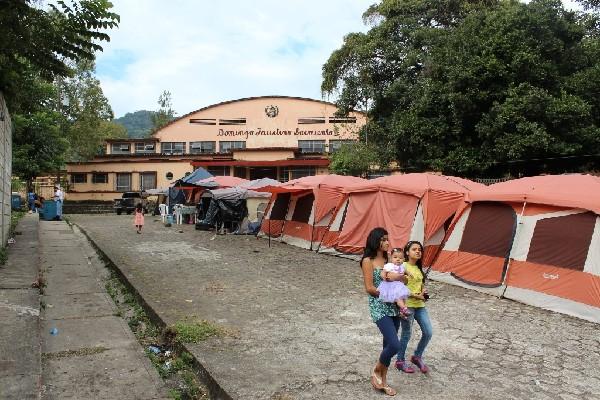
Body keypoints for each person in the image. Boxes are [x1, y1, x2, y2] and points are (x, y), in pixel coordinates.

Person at [360, 227, 407, 396]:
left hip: (394, 307)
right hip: (379, 306)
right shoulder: (368, 260)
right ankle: (377, 369)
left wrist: (401, 286)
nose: (387, 242)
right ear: (375, 241)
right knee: (395, 344)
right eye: (383, 239)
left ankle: (383, 381)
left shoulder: (389, 259)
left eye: (388, 239)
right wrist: (389, 294)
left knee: (387, 344)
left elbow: (397, 281)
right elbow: (370, 288)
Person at [395, 240, 433, 374]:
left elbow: (420, 286)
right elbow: (398, 288)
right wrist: (416, 296)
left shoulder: (418, 269)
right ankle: (400, 361)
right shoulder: (402, 266)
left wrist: (424, 293)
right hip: (407, 306)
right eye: (414, 249)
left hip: (420, 306)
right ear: (407, 252)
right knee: (406, 334)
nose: (418, 251)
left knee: (428, 332)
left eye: (420, 250)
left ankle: (417, 356)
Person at [378, 248, 412, 318]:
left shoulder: (402, 266)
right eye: (395, 257)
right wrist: (384, 277)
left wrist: (409, 274)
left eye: (400, 258)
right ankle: (404, 308)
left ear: (404, 259)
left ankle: (402, 311)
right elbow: (383, 272)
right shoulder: (389, 265)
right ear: (391, 258)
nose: (398, 259)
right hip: (390, 285)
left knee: (402, 297)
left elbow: (405, 271)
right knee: (398, 298)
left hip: (398, 285)